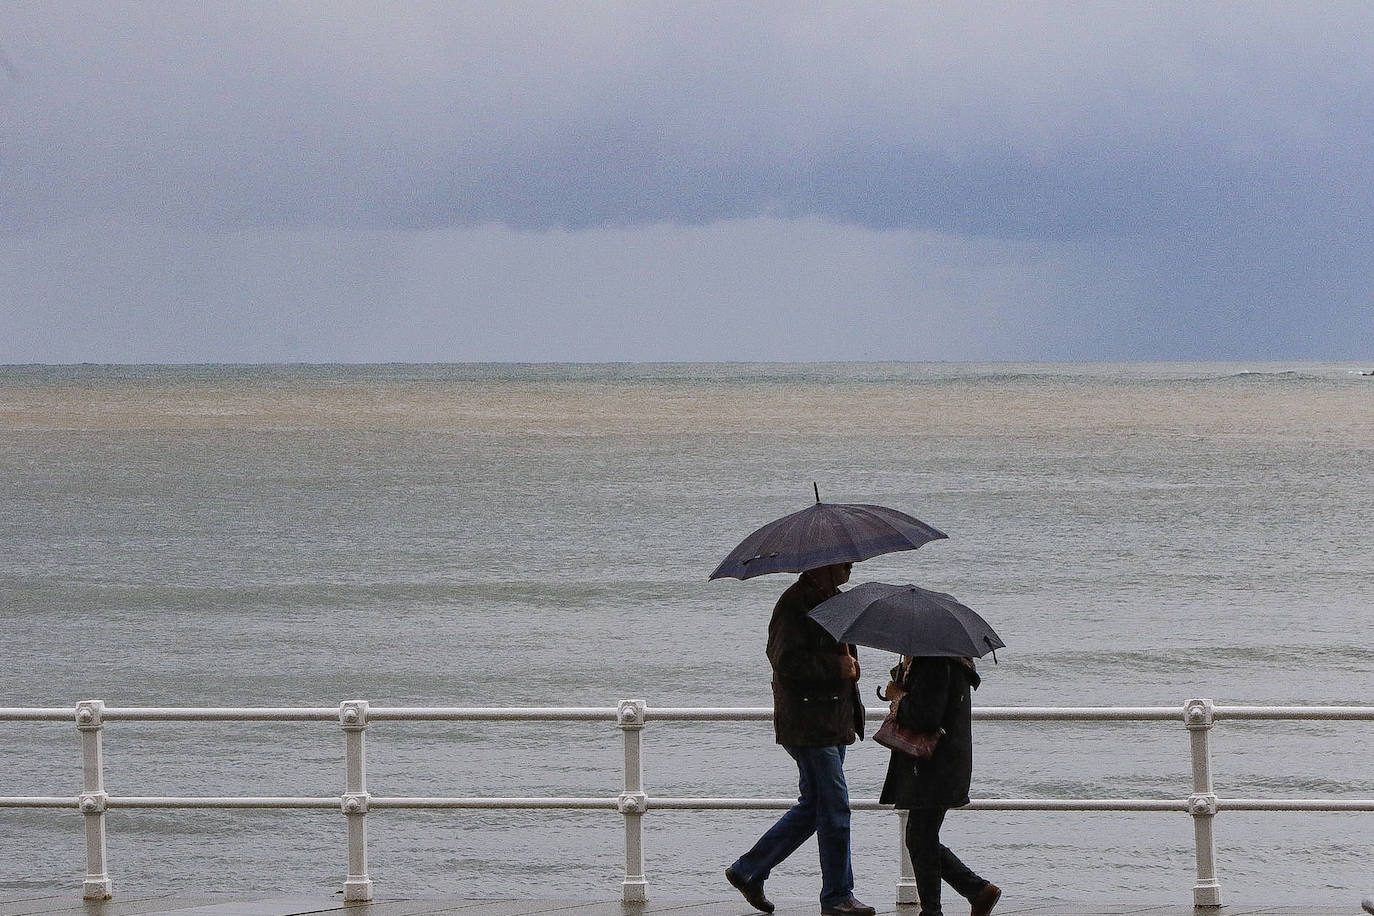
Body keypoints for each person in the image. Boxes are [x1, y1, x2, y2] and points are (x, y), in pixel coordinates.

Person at [725, 561, 876, 916]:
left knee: (814, 807)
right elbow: (784, 661)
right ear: (823, 564)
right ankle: (838, 896)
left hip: (833, 721)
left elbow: (847, 662)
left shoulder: (836, 599)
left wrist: (850, 671)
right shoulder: (793, 604)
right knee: (836, 807)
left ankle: (749, 870)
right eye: (844, 560)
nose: (852, 564)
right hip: (809, 724)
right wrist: (837, 667)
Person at [879, 655, 1001, 916]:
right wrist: (905, 672)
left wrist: (898, 698)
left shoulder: (934, 661)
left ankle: (942, 906)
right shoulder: (943, 659)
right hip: (942, 762)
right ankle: (977, 891)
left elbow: (926, 715)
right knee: (919, 836)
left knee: (919, 836)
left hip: (933, 765)